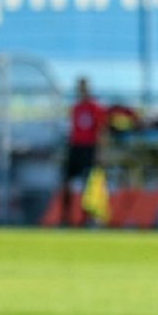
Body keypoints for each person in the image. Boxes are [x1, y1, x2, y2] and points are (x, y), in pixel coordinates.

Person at [57, 77, 108, 225]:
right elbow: (72, 130)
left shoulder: (96, 108)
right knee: (66, 181)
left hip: (89, 148)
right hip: (75, 147)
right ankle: (66, 216)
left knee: (89, 184)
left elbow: (101, 130)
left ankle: (89, 217)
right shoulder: (75, 108)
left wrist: (100, 152)